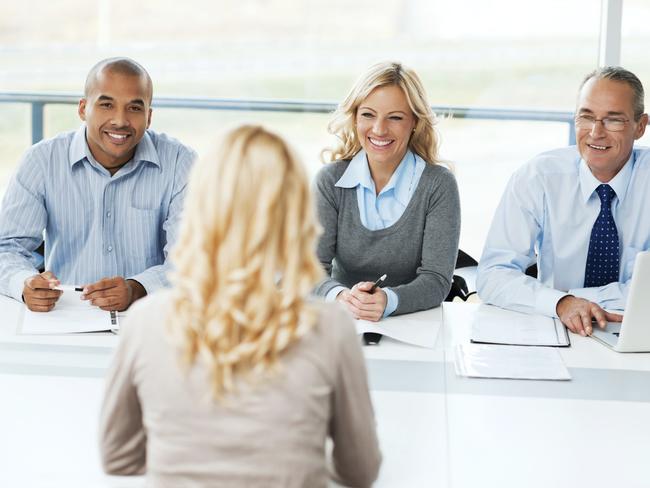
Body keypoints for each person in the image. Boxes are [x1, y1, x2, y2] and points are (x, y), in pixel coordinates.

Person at [99, 125, 381, 487]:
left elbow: (118, 458)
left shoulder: (145, 322)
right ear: (293, 216)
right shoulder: (330, 328)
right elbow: (359, 471)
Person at [0, 57, 195, 312]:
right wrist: (23, 282)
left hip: (151, 315)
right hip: (63, 315)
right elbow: (7, 247)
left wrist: (137, 288)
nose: (120, 120)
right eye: (106, 105)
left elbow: (192, 258)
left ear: (148, 117)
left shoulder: (182, 163)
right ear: (83, 109)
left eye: (134, 108)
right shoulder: (42, 161)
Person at [477, 66, 650, 336]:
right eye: (586, 117)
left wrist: (572, 296)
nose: (596, 132)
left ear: (640, 127)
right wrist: (560, 303)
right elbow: (492, 276)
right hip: (557, 327)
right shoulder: (539, 177)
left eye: (613, 120)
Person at [314, 61, 461, 321]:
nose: (379, 129)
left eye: (395, 117)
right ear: (355, 117)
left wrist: (388, 300)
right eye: (368, 115)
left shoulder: (438, 185)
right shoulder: (330, 181)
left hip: (414, 324)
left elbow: (437, 280)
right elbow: (306, 270)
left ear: (414, 122)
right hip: (341, 321)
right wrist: (341, 296)